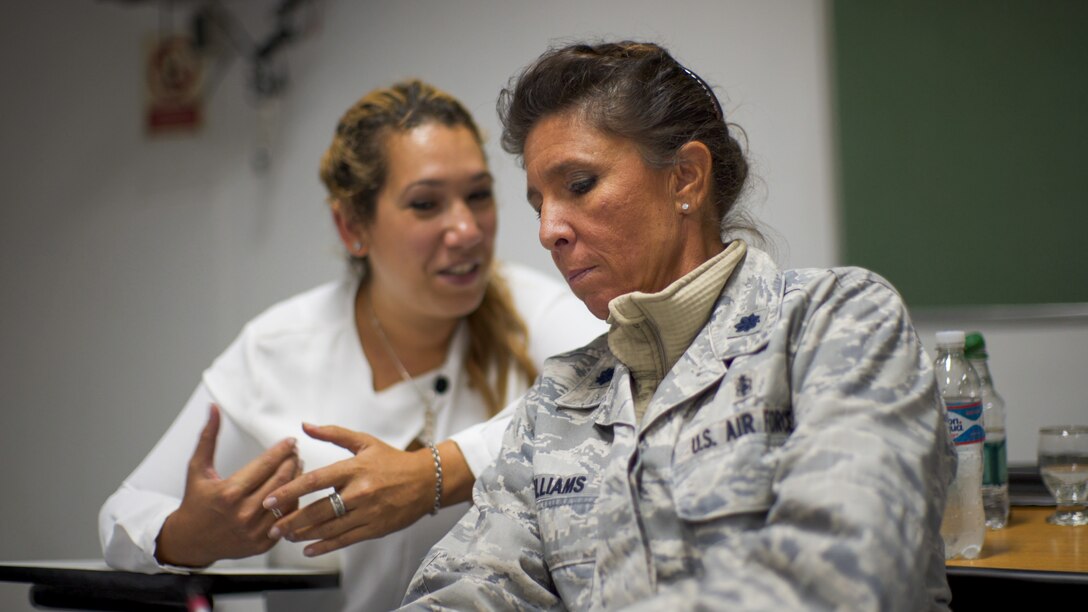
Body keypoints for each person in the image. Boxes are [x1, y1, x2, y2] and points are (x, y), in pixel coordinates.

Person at [402, 42, 955, 611]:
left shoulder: (836, 321)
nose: (548, 230)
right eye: (537, 203)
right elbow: (471, 584)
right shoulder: (559, 400)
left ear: (686, 178)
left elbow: (842, 572)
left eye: (580, 185)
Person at [98, 79, 604, 612]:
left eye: (478, 195)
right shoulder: (280, 347)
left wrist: (431, 474)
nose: (466, 228)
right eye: (426, 204)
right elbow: (122, 513)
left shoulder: (539, 313)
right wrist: (183, 536)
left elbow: (608, 392)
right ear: (351, 226)